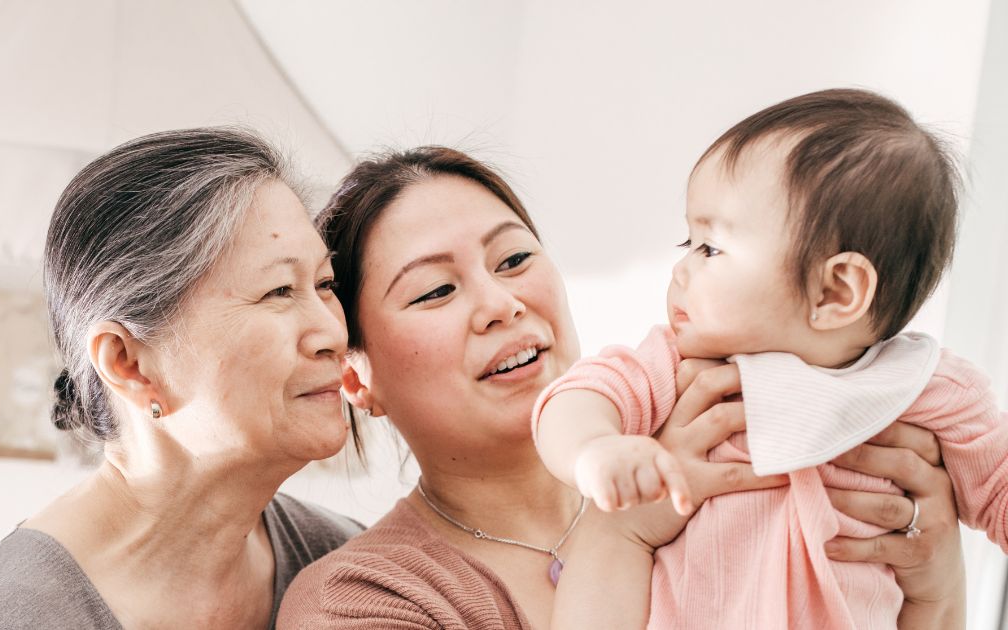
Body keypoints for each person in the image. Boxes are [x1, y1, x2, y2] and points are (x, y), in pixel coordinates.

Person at [278, 145, 967, 629]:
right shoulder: (360, 602)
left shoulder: (743, 435)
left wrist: (936, 595)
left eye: (515, 257)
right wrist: (620, 534)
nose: (501, 302)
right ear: (354, 376)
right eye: (434, 291)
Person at [534, 89, 1006, 628]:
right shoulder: (685, 367)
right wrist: (595, 449)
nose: (680, 270)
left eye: (710, 248)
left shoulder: (925, 389)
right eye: (686, 242)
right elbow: (576, 397)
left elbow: (998, 491)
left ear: (836, 292)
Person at [0, 127, 363, 629]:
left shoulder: (341, 560)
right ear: (128, 364)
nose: (334, 332)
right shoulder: (19, 616)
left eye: (325, 284)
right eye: (278, 291)